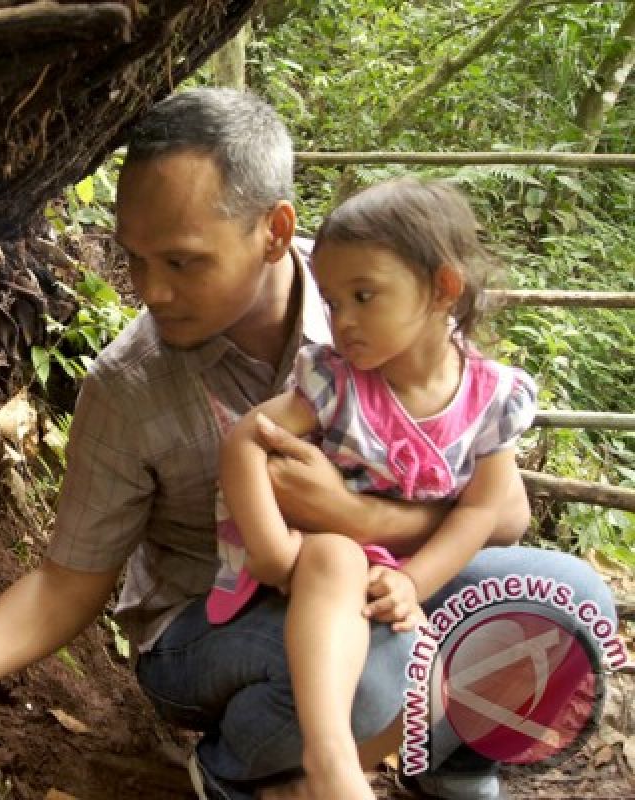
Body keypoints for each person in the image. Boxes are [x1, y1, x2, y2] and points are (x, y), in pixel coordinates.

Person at [0, 89, 616, 800]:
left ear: (274, 231)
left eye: (183, 262)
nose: (151, 290)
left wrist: (356, 520)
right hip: (208, 629)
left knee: (567, 597)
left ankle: (439, 754)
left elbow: (502, 508)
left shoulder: (367, 294)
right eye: (134, 258)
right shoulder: (129, 385)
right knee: (375, 681)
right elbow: (66, 586)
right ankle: (235, 770)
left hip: (374, 582)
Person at [208, 178, 537, 800]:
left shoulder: (491, 397)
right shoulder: (339, 383)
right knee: (335, 553)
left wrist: (416, 582)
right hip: (322, 568)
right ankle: (330, 762)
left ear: (443, 289)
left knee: (536, 609)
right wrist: (274, 548)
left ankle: (447, 757)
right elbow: (246, 441)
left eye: (364, 296)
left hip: (409, 572)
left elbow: (486, 510)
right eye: (332, 302)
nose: (344, 321)